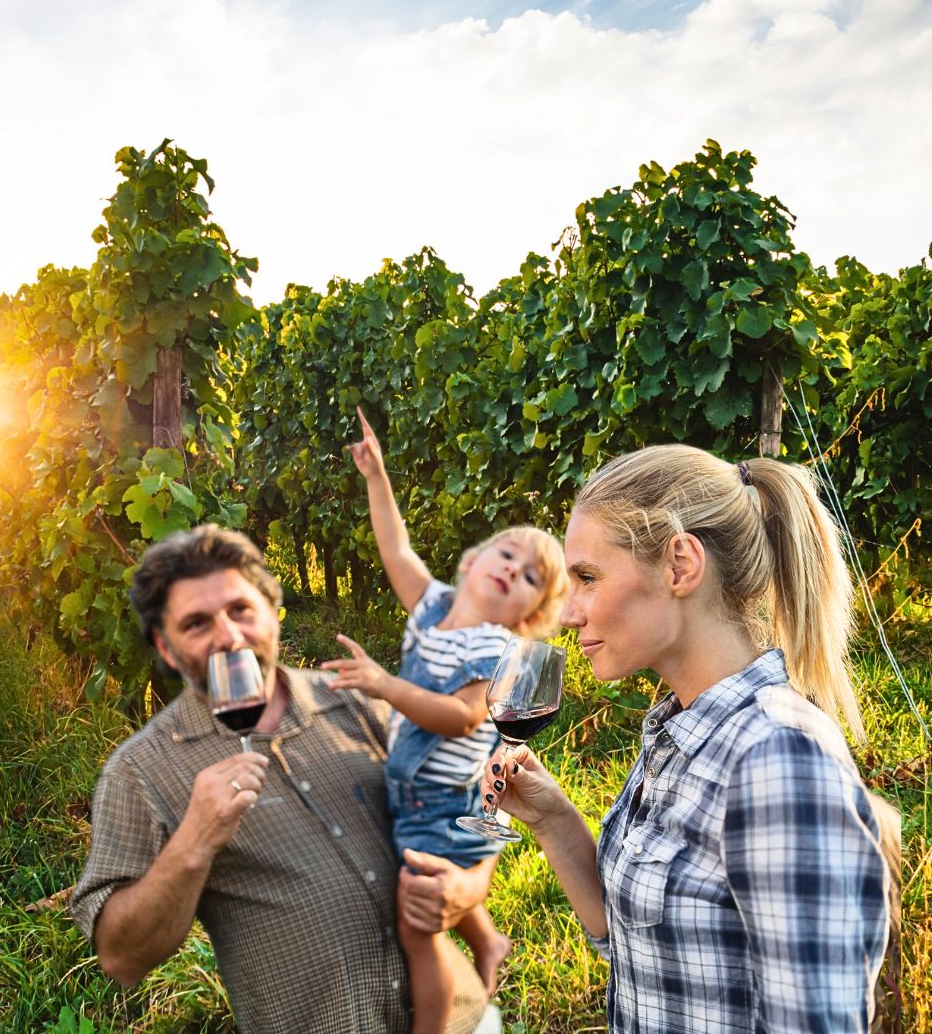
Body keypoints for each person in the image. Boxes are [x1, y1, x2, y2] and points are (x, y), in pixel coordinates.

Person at [484, 445, 893, 1034]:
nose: (569, 613)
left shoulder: (776, 759)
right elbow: (632, 950)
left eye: (588, 578)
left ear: (680, 566)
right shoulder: (678, 733)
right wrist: (551, 819)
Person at [70, 524, 503, 1034]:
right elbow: (122, 958)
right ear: (167, 649)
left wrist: (469, 888)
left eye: (240, 610)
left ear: (273, 614)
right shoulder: (141, 770)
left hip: (461, 1020)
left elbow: (467, 805)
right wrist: (195, 840)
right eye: (196, 624)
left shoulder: (359, 700)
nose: (228, 635)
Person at [321, 411, 568, 1034]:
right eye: (507, 553)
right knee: (427, 883)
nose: (512, 568)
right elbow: (394, 548)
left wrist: (385, 684)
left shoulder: (492, 650)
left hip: (451, 802)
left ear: (528, 614)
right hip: (415, 792)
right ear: (473, 559)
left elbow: (461, 718)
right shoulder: (431, 607)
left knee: (416, 920)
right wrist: (377, 478)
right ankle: (488, 943)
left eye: (529, 577)